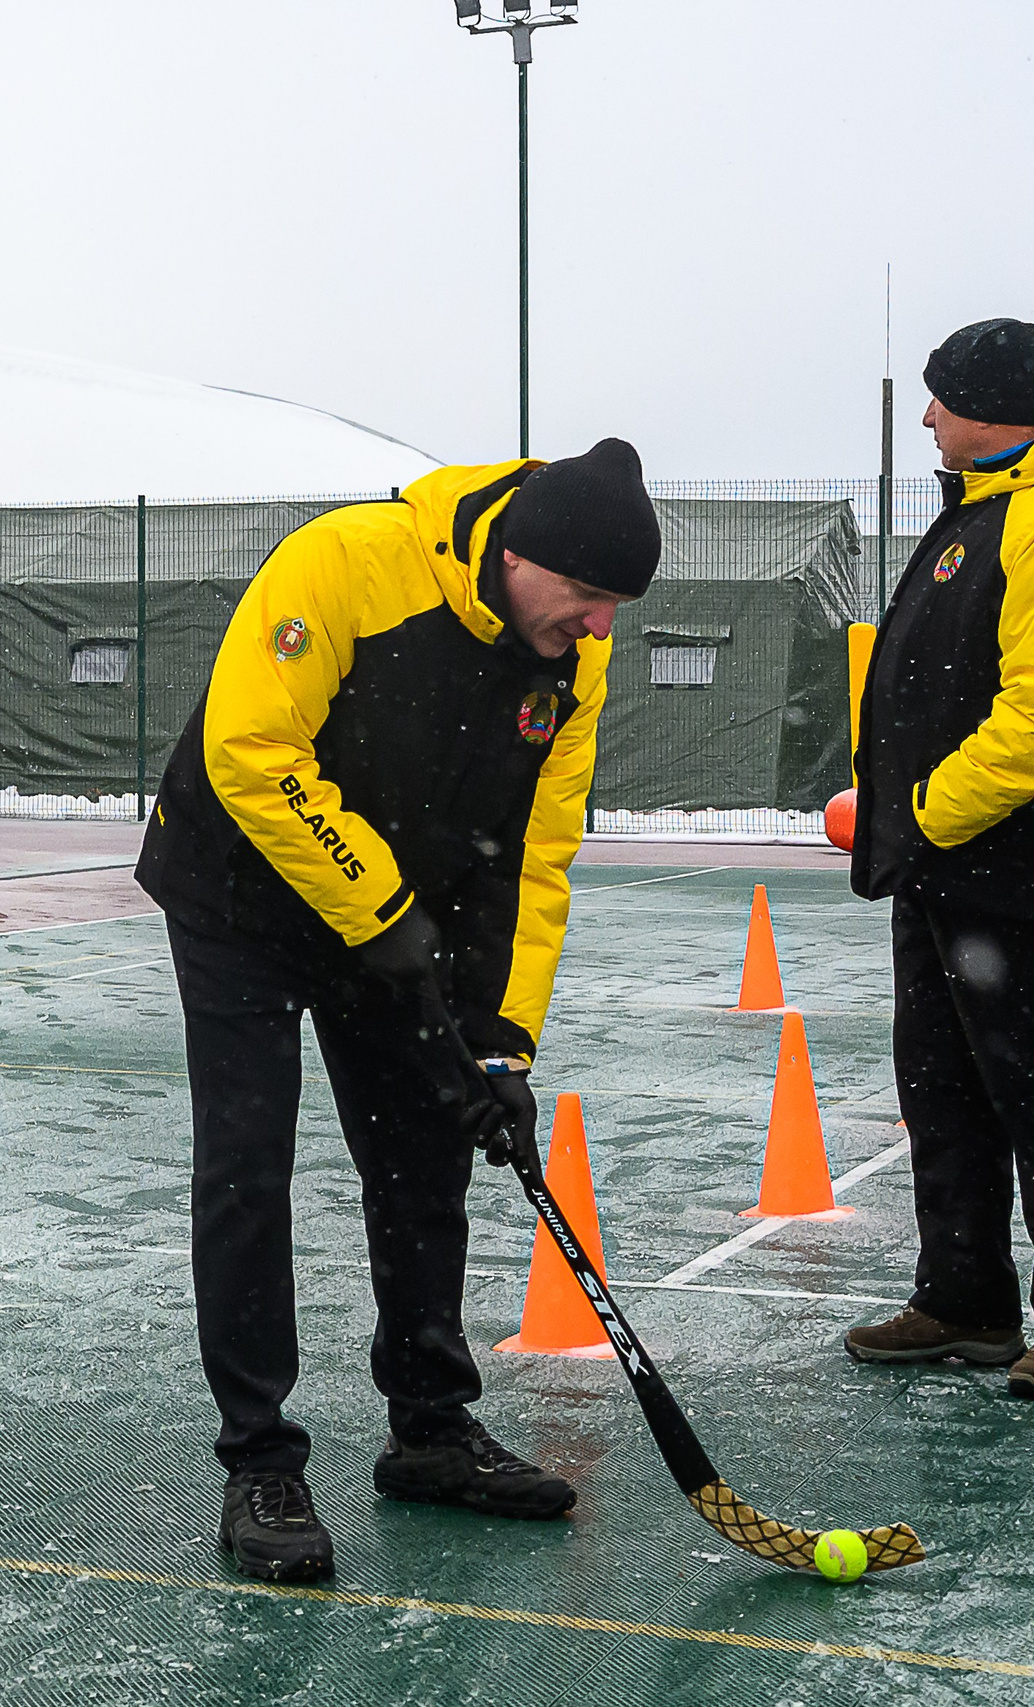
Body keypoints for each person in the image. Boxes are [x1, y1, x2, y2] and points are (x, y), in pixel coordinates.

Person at [135, 440, 659, 1585]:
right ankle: (259, 1462)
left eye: (614, 610)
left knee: (426, 1149)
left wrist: (502, 1040)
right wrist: (381, 912)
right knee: (246, 1160)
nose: (598, 629)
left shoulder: (569, 654)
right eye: (584, 600)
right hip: (240, 899)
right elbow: (251, 749)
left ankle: (429, 1429)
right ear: (517, 556)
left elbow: (535, 851)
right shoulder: (344, 564)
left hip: (395, 912)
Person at [846, 319, 1034, 1400]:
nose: (925, 416)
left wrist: (928, 805)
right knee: (941, 1086)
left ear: (988, 403)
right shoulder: (988, 504)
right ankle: (963, 1299)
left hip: (1014, 868)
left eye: (939, 398)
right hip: (944, 863)